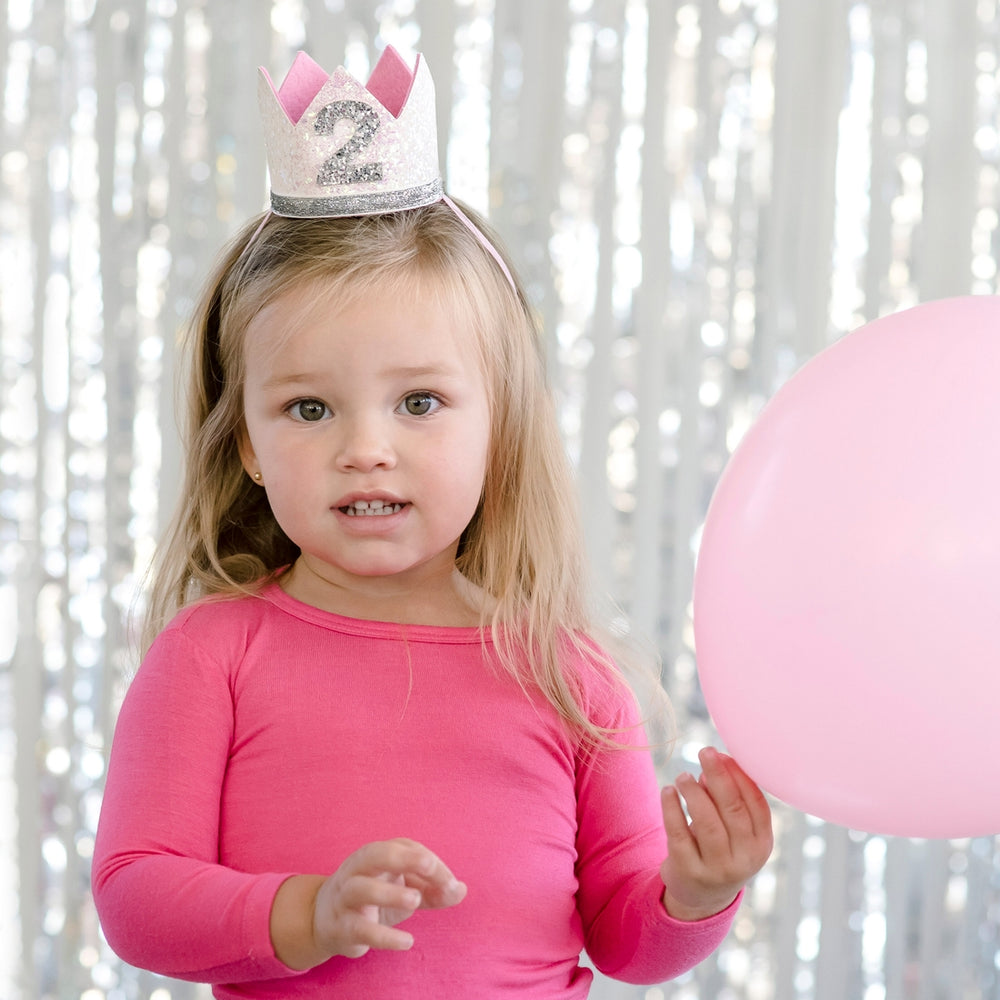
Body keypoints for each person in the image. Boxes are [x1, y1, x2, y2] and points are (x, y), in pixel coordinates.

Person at [92, 44, 772, 999]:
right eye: (310, 409)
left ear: (498, 427)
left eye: (418, 403)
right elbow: (136, 896)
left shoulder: (569, 678)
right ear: (246, 443)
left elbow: (627, 939)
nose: (366, 449)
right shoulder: (212, 657)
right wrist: (308, 913)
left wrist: (696, 895)